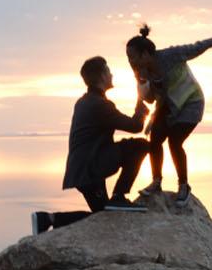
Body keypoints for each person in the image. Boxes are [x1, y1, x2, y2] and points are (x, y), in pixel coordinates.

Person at [31, 56, 150, 234]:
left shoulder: (85, 101)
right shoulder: (99, 105)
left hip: (83, 170)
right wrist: (141, 102)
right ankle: (119, 195)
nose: (112, 74)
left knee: (102, 215)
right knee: (140, 145)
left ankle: (47, 219)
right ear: (102, 76)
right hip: (90, 170)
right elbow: (135, 126)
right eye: (108, 71)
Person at [127, 20, 212, 203]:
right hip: (169, 107)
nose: (130, 61)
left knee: (174, 141)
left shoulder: (170, 55)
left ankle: (184, 186)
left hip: (191, 102)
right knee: (154, 139)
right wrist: (142, 82)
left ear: (145, 54)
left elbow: (198, 47)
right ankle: (156, 182)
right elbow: (149, 99)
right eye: (128, 57)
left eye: (132, 56)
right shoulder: (141, 71)